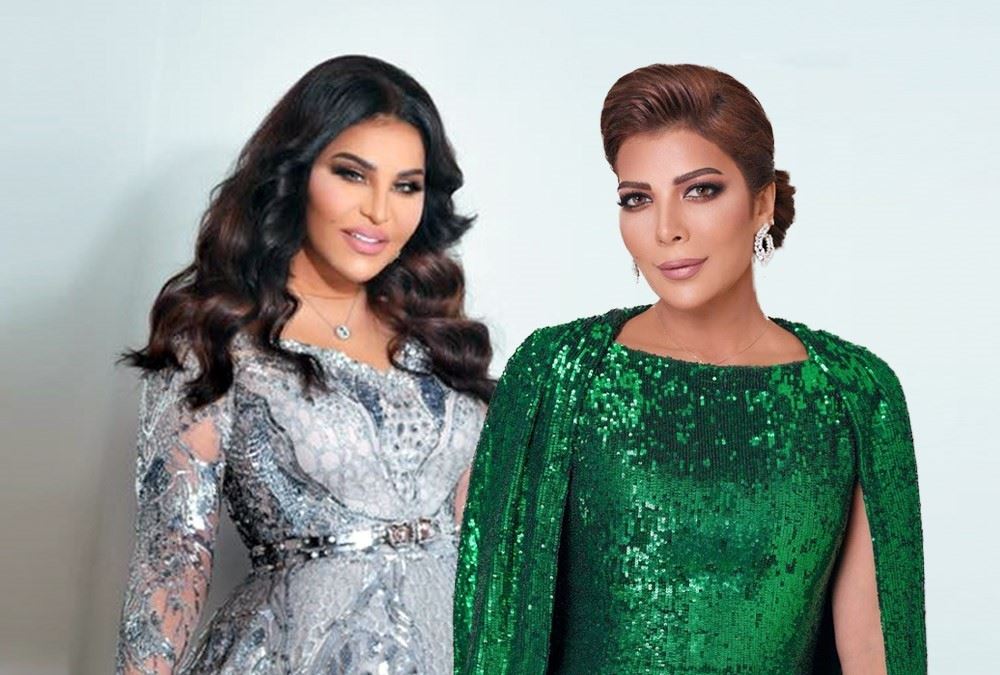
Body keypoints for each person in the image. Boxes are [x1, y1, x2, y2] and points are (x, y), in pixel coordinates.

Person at [455, 64, 925, 674]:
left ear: (762, 202)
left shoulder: (853, 393)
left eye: (700, 191)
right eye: (637, 199)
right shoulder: (560, 373)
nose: (666, 229)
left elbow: (871, 651)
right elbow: (496, 623)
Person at [115, 55, 492, 674]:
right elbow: (173, 559)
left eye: (406, 186)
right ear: (294, 174)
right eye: (352, 174)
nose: (380, 212)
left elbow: (480, 547)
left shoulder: (439, 340)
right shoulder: (217, 342)